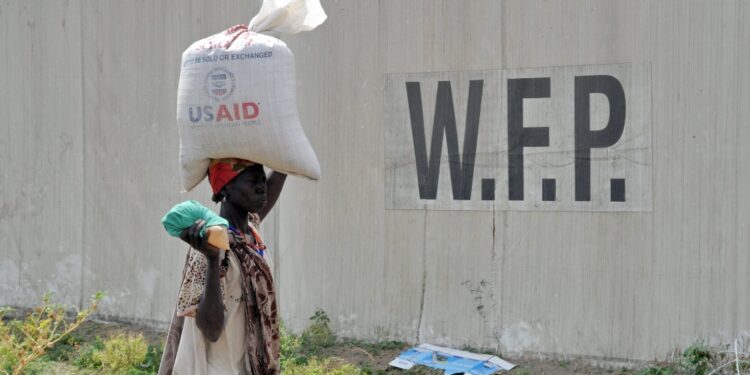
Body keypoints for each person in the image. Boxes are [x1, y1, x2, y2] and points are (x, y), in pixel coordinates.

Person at [159, 158, 287, 375]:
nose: (261, 187)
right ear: (226, 187)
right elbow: (211, 330)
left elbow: (278, 178)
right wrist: (211, 261)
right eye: (252, 181)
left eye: (262, 179)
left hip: (247, 366)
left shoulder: (249, 233)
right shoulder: (209, 246)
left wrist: (286, 153)